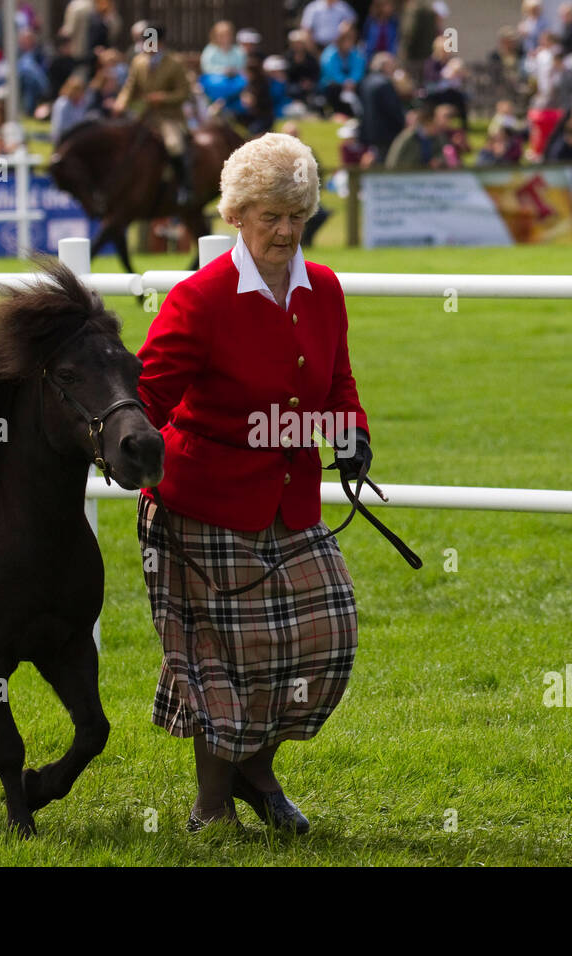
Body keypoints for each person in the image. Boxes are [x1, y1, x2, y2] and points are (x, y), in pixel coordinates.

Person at [135, 131, 371, 834]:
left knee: (328, 635)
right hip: (201, 499)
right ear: (236, 214)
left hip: (289, 501)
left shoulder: (323, 288)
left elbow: (337, 384)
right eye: (271, 215)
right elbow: (146, 396)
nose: (287, 230)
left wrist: (353, 433)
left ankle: (255, 770)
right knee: (223, 660)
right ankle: (214, 807)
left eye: (298, 214)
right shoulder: (200, 299)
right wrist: (125, 452)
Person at [113, 23, 192, 204]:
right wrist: (120, 103)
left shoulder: (175, 63)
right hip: (145, 116)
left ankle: (184, 187)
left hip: (168, 116)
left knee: (174, 145)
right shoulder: (138, 62)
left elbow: (184, 92)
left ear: (161, 42)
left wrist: (163, 98)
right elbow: (129, 87)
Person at [357, 51, 403, 161]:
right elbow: (393, 110)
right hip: (386, 134)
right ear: (385, 66)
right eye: (392, 65)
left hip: (368, 132)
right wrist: (403, 123)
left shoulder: (366, 81)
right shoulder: (385, 84)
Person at [317, 20, 364, 116]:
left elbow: (358, 69)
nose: (348, 42)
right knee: (333, 88)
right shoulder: (329, 53)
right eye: (345, 38)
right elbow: (331, 72)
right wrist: (344, 82)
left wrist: (352, 81)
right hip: (333, 86)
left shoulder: (355, 52)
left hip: (351, 86)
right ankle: (337, 114)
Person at [199, 19, 245, 103]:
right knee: (216, 83)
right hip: (215, 78)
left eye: (227, 35)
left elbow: (242, 67)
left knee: (242, 82)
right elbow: (206, 67)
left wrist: (234, 71)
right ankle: (223, 103)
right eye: (221, 35)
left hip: (234, 78)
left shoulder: (238, 50)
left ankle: (221, 103)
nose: (225, 38)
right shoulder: (210, 50)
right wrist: (223, 71)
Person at [50, 72, 88, 144]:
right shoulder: (62, 103)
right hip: (63, 137)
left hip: (77, 135)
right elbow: (60, 126)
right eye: (76, 90)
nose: (79, 93)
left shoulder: (82, 104)